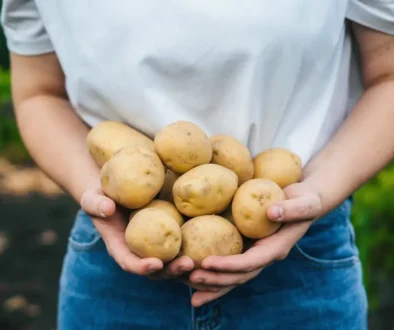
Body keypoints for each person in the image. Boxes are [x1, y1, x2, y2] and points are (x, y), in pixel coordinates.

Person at [2, 1, 394, 329]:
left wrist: (319, 191)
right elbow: (40, 93)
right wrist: (95, 189)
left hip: (299, 251)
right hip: (117, 250)